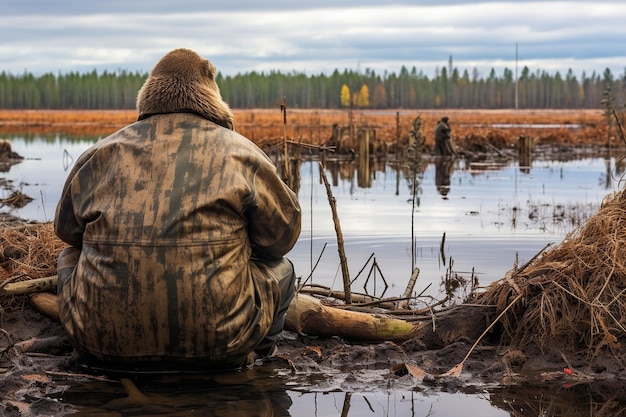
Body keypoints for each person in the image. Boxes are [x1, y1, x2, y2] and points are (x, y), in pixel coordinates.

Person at [54, 48, 302, 372]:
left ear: (149, 95)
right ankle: (254, 356)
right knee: (282, 268)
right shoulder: (242, 154)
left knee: (68, 257)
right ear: (211, 93)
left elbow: (67, 232)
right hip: (222, 345)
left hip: (99, 344)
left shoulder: (100, 153)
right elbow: (281, 239)